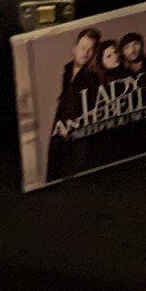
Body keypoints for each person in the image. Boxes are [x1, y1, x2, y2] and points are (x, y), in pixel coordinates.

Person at [46, 27, 101, 182]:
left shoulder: (94, 77)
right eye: (83, 48)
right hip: (59, 130)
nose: (85, 52)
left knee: (74, 177)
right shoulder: (67, 69)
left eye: (90, 49)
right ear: (75, 49)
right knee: (52, 174)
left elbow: (92, 110)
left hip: (79, 133)